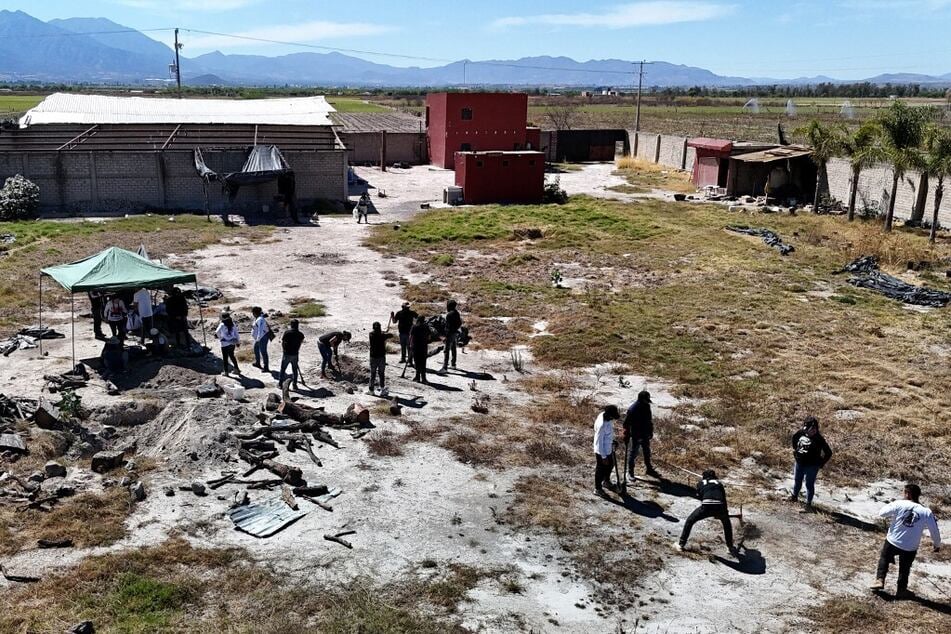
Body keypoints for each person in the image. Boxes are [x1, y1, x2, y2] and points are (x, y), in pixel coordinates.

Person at [871, 483, 941, 598]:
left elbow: (882, 513)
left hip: (893, 541)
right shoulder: (926, 511)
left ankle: (880, 579)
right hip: (910, 546)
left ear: (907, 493)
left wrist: (893, 504)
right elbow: (934, 531)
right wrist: (937, 544)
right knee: (905, 568)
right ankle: (901, 590)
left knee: (884, 558)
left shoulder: (899, 504)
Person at [678, 469, 738, 555]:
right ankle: (730, 547)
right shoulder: (719, 483)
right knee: (727, 524)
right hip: (720, 506)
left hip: (706, 506)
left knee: (690, 520)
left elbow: (701, 497)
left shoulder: (700, 483)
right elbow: (723, 499)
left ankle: (681, 544)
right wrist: (725, 513)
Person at [788, 416, 833, 510]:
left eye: (815, 429)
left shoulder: (819, 439)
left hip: (812, 466)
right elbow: (794, 440)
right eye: (811, 429)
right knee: (797, 480)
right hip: (799, 463)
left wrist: (821, 463)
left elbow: (828, 452)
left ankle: (808, 505)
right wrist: (797, 452)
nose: (813, 431)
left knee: (809, 484)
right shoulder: (800, 433)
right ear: (805, 428)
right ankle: (794, 497)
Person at [624, 390, 660, 480]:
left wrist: (650, 432)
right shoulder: (632, 409)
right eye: (646, 400)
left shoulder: (647, 406)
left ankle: (649, 469)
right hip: (636, 434)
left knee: (647, 452)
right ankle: (630, 472)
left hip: (645, 434)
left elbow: (649, 421)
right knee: (633, 453)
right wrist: (627, 434)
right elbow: (626, 424)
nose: (647, 402)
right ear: (641, 399)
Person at [593, 404, 620, 498]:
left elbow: (607, 435)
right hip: (602, 451)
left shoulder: (605, 417)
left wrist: (612, 441)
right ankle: (597, 488)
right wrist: (603, 457)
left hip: (608, 448)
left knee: (610, 465)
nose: (614, 419)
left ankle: (606, 481)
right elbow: (599, 442)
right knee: (600, 470)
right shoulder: (602, 425)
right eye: (613, 417)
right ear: (609, 415)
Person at [368, 321, 394, 395]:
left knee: (372, 374)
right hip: (381, 357)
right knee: (381, 374)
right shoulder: (382, 335)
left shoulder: (371, 334)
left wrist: (384, 333)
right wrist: (385, 333)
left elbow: (379, 334)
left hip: (373, 357)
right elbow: (391, 335)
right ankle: (382, 389)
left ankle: (371, 390)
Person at [279, 319, 305, 390]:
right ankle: (294, 385)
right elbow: (300, 343)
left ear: (291, 325)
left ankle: (280, 384)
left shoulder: (287, 333)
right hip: (295, 354)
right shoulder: (300, 334)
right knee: (295, 370)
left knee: (283, 369)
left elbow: (283, 342)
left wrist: (284, 350)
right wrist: (297, 350)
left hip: (287, 353)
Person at [439, 299, 463, 373]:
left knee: (446, 350)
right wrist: (455, 329)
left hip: (449, 334)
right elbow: (460, 323)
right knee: (453, 349)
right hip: (455, 333)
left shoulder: (449, 315)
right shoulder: (457, 313)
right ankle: (453, 364)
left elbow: (447, 326)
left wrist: (445, 336)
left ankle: (444, 367)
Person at [216, 312, 241, 376]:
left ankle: (226, 372)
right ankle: (236, 369)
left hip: (225, 344)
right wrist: (238, 342)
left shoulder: (222, 324)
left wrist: (221, 338)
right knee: (232, 356)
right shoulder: (232, 323)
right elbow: (236, 333)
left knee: (225, 358)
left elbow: (217, 332)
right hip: (232, 343)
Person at [251, 306, 272, 372]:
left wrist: (258, 339)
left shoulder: (260, 319)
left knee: (263, 352)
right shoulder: (259, 317)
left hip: (262, 338)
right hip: (259, 338)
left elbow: (260, 330)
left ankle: (266, 367)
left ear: (255, 313)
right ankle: (258, 363)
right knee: (256, 349)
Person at [410, 316, 431, 384]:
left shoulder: (414, 327)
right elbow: (429, 337)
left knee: (417, 363)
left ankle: (417, 377)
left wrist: (410, 345)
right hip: (423, 347)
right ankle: (423, 378)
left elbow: (411, 337)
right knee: (423, 363)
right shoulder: (426, 327)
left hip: (416, 347)